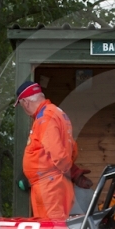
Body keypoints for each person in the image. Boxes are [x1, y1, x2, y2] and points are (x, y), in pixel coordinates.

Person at [17, 81, 92, 219]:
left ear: (25, 102)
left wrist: (71, 171)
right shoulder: (57, 113)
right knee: (55, 226)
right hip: (55, 182)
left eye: (21, 106)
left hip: (49, 186)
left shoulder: (45, 117)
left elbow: (57, 152)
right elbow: (72, 148)